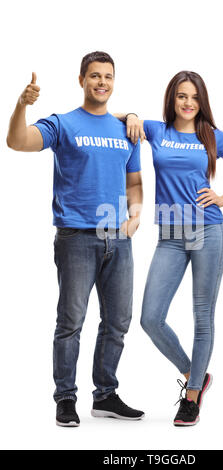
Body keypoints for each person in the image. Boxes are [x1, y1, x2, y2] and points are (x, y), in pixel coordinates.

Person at [6, 51, 145, 427]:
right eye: (95, 76)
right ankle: (65, 399)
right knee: (71, 322)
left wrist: (135, 215)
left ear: (114, 82)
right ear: (81, 79)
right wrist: (21, 105)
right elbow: (17, 142)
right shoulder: (63, 124)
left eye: (108, 76)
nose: (102, 82)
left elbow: (134, 182)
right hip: (76, 238)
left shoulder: (125, 129)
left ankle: (106, 396)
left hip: (119, 238)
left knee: (118, 321)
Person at [120, 70, 223, 427]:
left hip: (208, 230)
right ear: (172, 99)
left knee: (203, 315)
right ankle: (193, 371)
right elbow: (116, 118)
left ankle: (193, 395)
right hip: (169, 234)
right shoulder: (156, 130)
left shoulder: (212, 136)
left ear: (202, 102)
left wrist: (222, 198)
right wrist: (133, 115)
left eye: (194, 97)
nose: (188, 103)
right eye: (182, 96)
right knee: (151, 318)